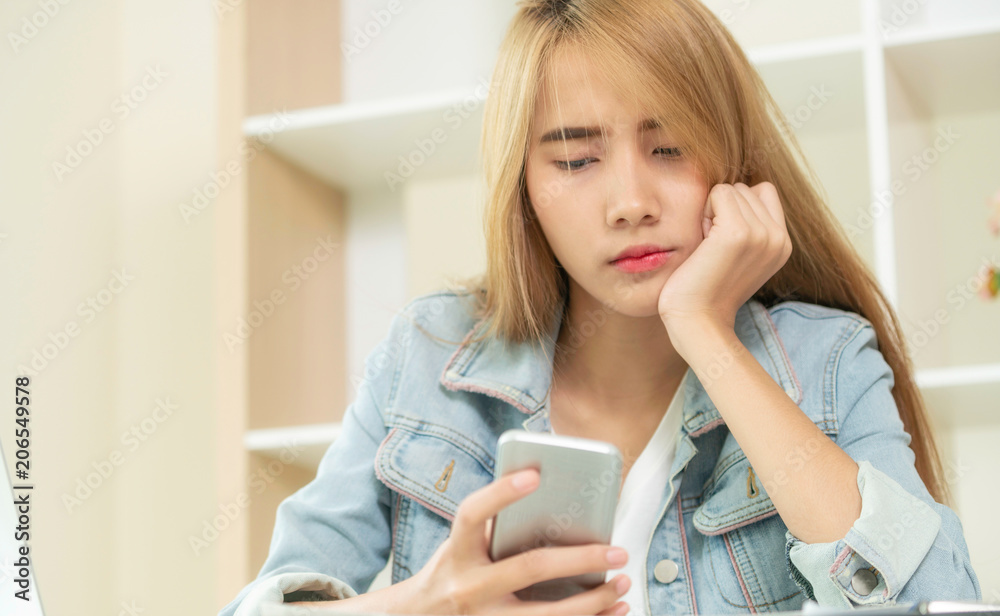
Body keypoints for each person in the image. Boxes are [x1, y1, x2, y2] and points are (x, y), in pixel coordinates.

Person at [219, 0, 982, 614]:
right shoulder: (426, 354)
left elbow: (934, 600)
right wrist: (430, 603)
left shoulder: (827, 361)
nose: (629, 203)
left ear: (735, 162)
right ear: (524, 190)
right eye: (577, 160)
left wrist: (704, 331)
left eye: (670, 147)